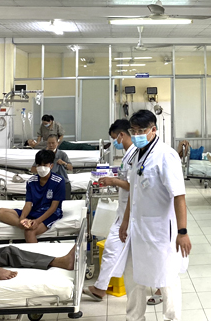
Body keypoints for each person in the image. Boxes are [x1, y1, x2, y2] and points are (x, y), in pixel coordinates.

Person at [113, 109, 191, 321]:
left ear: (153, 130)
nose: (137, 134)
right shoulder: (137, 154)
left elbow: (179, 195)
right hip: (136, 229)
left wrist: (183, 232)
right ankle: (134, 317)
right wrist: (125, 221)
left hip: (159, 230)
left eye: (141, 131)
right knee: (133, 277)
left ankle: (172, 318)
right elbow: (134, 190)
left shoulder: (166, 155)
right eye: (134, 131)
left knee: (166, 278)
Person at [84, 120, 166, 305]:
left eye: (114, 138)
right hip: (126, 211)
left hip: (137, 213)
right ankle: (101, 288)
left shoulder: (137, 154)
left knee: (140, 251)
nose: (114, 142)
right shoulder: (130, 155)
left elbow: (133, 185)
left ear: (121, 135)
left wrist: (113, 182)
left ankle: (162, 288)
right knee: (116, 249)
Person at [0, 150, 65, 243]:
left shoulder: (59, 181)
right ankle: (24, 224)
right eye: (39, 165)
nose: (42, 168)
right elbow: (28, 203)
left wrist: (37, 221)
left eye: (45, 165)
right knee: (0, 212)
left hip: (51, 213)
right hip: (34, 211)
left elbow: (53, 207)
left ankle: (35, 253)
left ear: (51, 166)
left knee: (29, 232)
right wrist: (22, 219)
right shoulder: (31, 181)